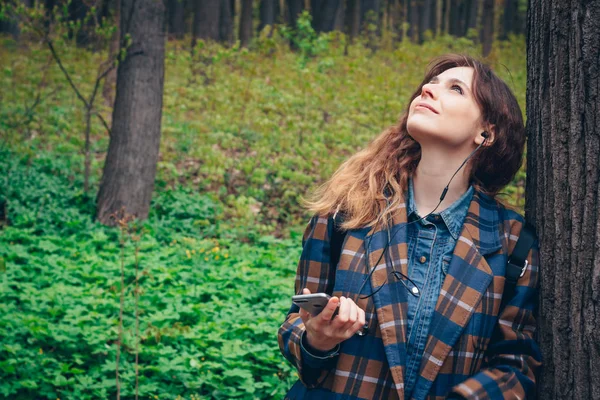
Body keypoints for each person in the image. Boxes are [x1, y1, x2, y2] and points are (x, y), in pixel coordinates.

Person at [278, 54, 542, 400]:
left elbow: (516, 366)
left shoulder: (513, 242)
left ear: (486, 132)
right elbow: (294, 326)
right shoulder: (347, 212)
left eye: (455, 88)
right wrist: (317, 339)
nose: (429, 90)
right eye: (428, 84)